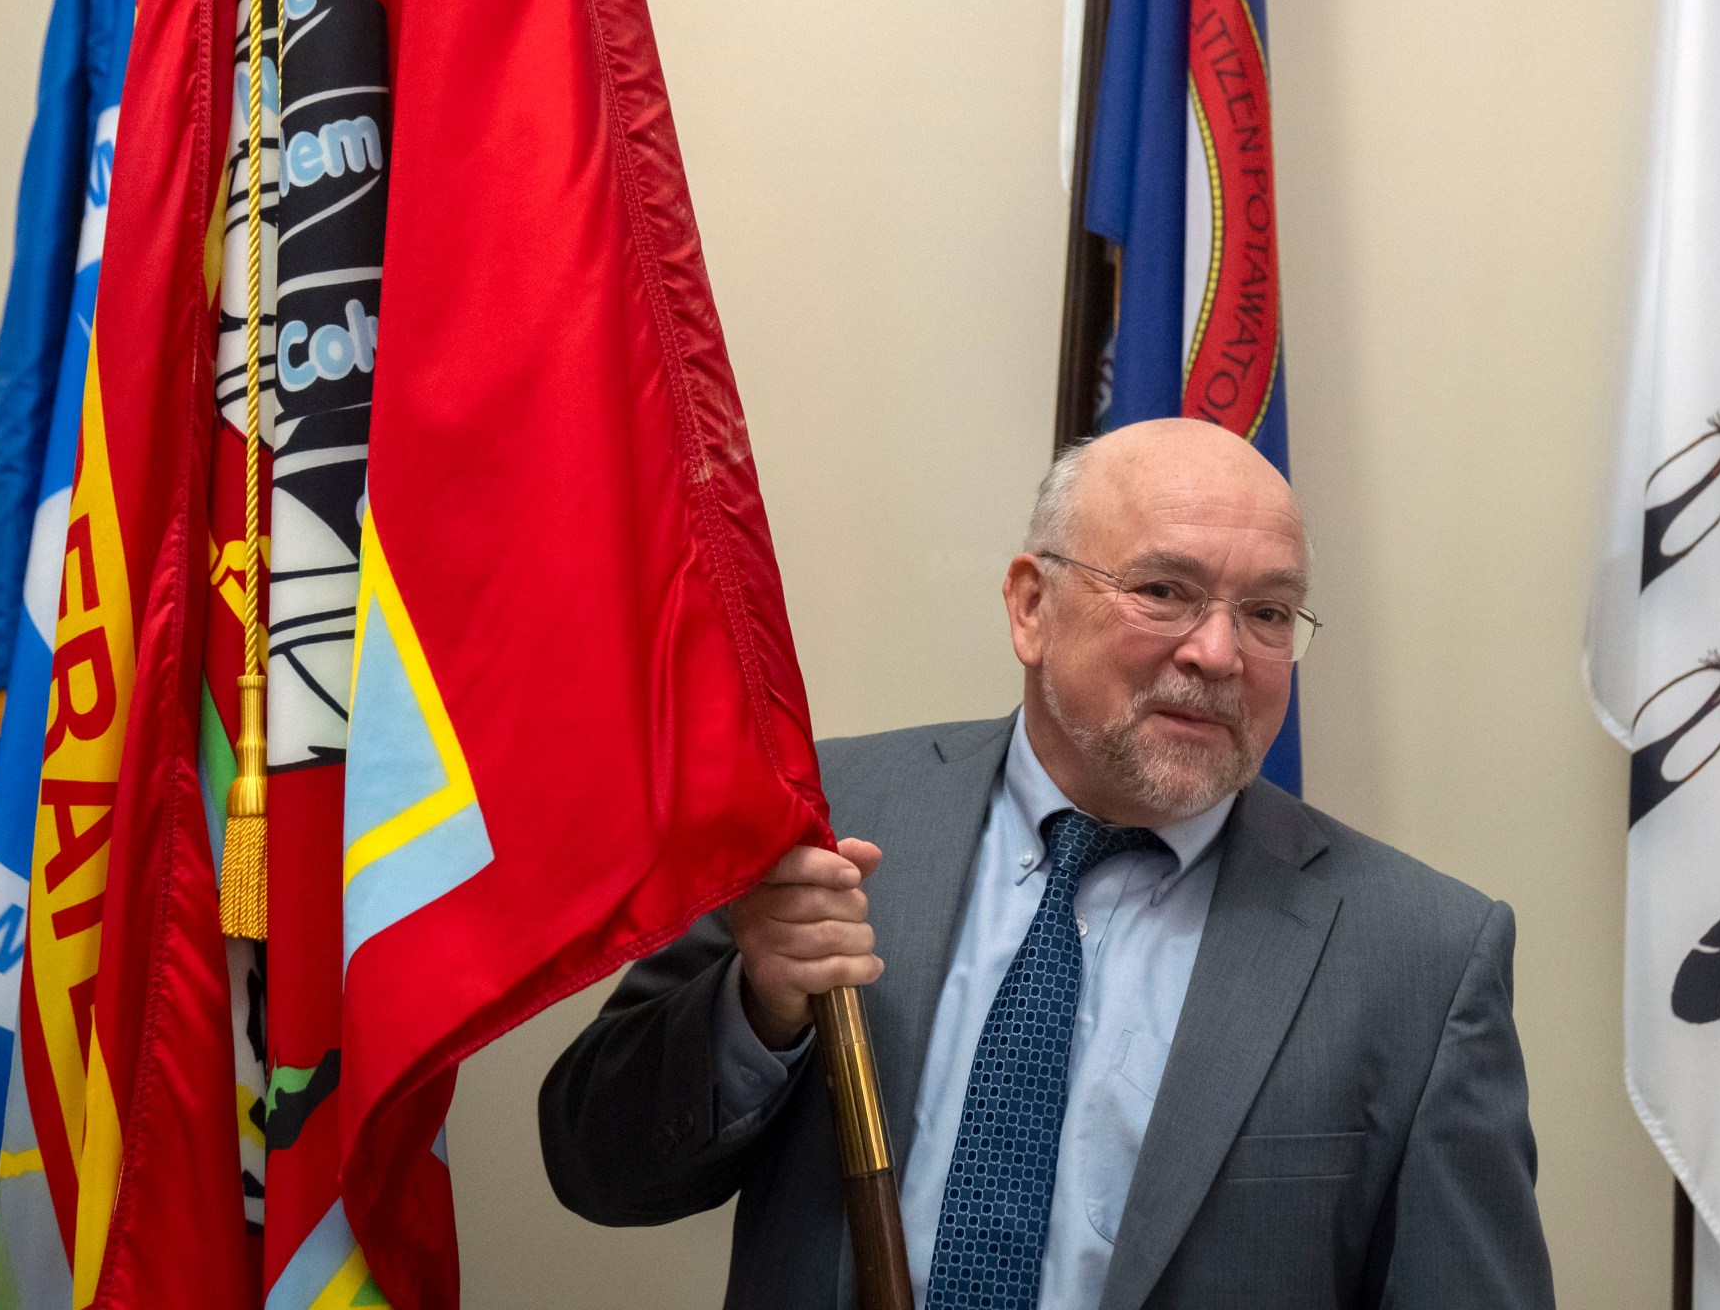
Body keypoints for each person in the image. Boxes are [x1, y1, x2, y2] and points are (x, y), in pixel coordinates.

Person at [539, 418, 1552, 1309]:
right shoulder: (818, 819)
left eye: (1268, 613)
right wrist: (758, 1008)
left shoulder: (1419, 956)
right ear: (1031, 606)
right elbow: (596, 1166)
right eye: (1164, 590)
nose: (1218, 652)